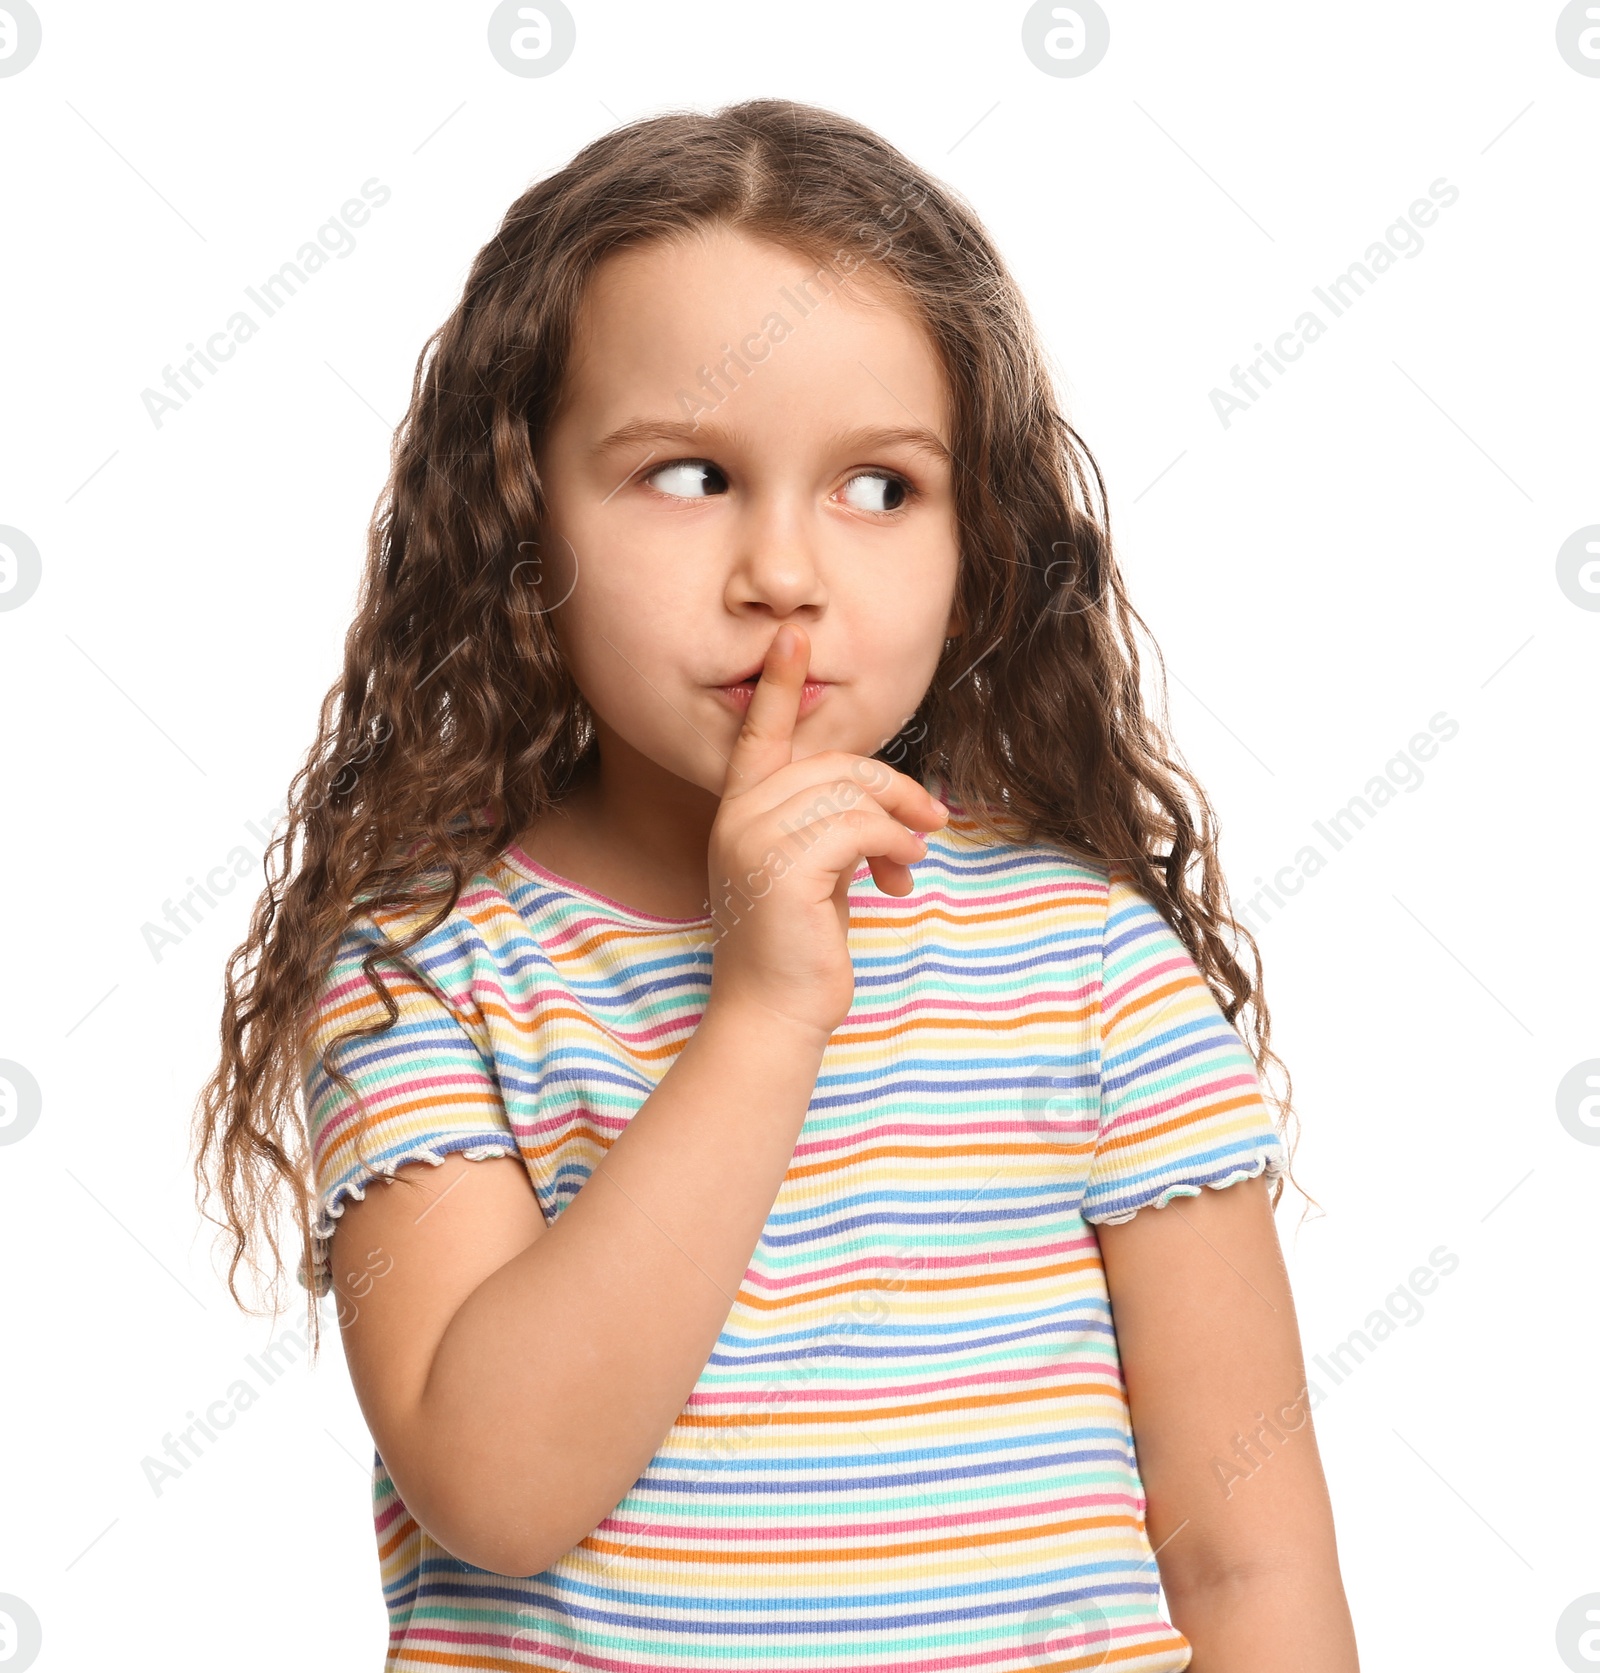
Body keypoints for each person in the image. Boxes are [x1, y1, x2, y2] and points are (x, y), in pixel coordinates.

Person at [193, 99, 1359, 1672]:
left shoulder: (1086, 965)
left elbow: (1246, 1557)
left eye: (879, 488)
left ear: (978, 541)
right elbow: (496, 1482)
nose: (787, 572)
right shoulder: (426, 968)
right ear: (521, 517)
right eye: (689, 474)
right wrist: (762, 1008)